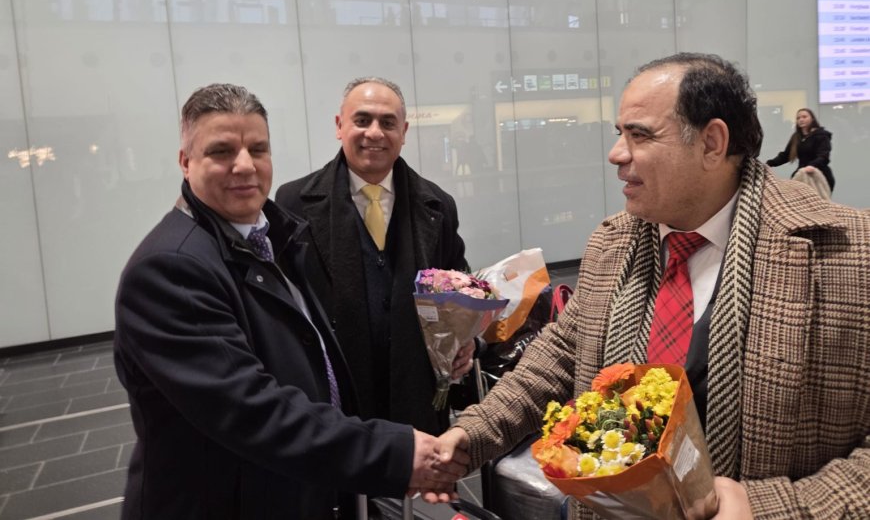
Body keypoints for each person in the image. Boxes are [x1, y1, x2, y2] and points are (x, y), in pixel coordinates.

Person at [432, 54, 870, 519]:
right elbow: (562, 354)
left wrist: (773, 510)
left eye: (639, 135)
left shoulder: (847, 255)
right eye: (619, 133)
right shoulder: (614, 243)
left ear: (712, 143)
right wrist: (474, 433)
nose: (616, 154)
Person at [113, 83, 466, 520]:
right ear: (186, 162)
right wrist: (392, 453)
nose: (245, 165)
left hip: (297, 479)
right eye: (222, 151)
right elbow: (251, 410)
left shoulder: (270, 237)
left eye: (257, 149)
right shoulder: (171, 269)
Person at [275, 77, 473, 436]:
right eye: (362, 120)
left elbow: (460, 285)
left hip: (417, 400)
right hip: (336, 405)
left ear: (404, 132)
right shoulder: (292, 204)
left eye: (388, 122)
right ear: (340, 126)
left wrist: (467, 339)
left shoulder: (438, 205)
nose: (375, 133)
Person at [766, 107, 835, 194]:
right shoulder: (796, 137)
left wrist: (812, 166)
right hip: (802, 176)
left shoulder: (821, 135)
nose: (801, 119)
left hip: (819, 176)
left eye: (804, 117)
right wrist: (769, 164)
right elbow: (786, 155)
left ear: (812, 119)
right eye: (798, 118)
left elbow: (823, 156)